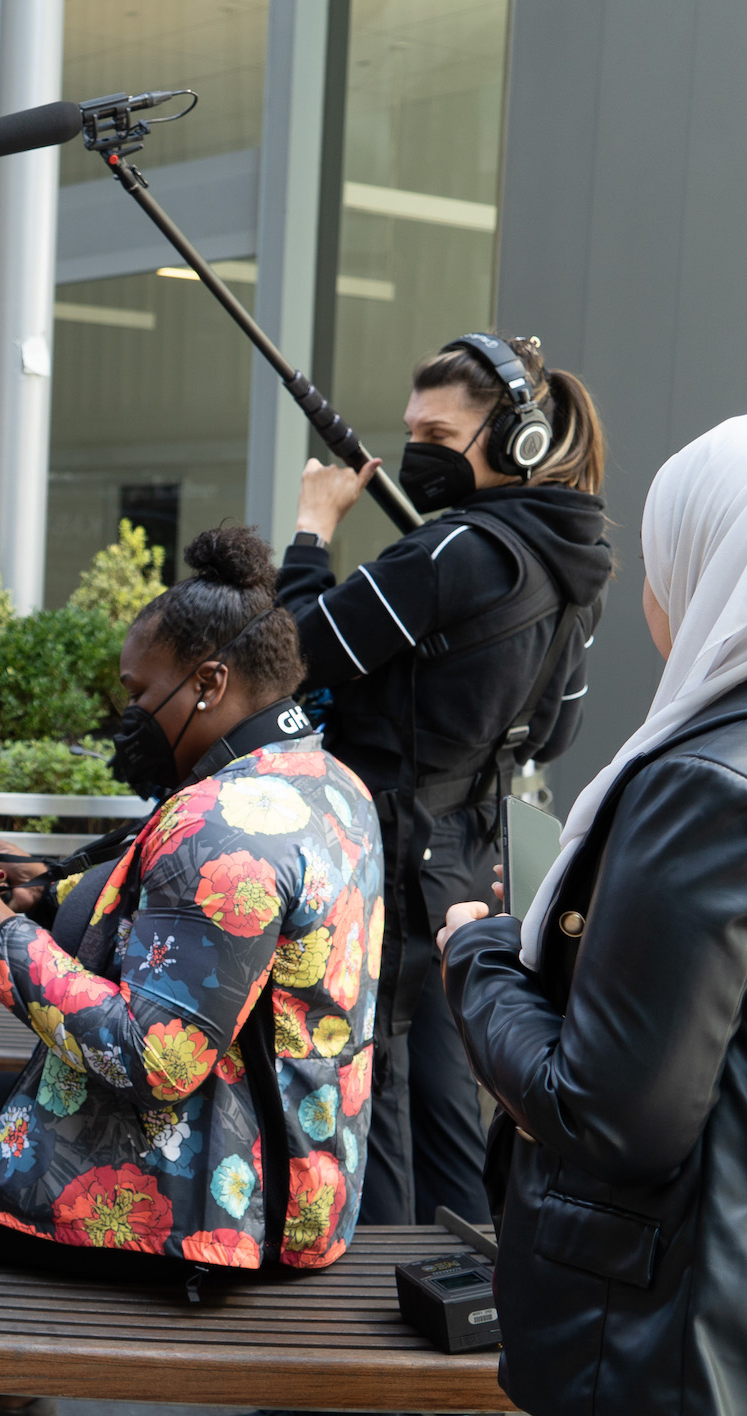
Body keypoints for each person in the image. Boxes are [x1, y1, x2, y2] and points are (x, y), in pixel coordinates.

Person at [0, 528, 384, 1416]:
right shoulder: (320, 782)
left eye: (139, 692)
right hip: (295, 1179)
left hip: (211, 1202)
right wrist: (38, 900)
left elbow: (158, 1061)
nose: (125, 712)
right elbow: (205, 957)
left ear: (208, 681)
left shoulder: (228, 823)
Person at [439, 418, 747, 1416]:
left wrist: (476, 957)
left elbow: (605, 1112)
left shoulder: (704, 786)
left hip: (655, 1348)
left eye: (662, 562)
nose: (652, 597)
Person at [274, 333, 608, 1227]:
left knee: (369, 1090)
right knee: (444, 1100)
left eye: (438, 430)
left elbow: (290, 655)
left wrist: (313, 529)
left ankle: (378, 1316)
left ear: (515, 441)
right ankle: (470, 1296)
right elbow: (557, 729)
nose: (417, 446)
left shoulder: (450, 552)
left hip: (380, 853)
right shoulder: (574, 567)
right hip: (466, 858)